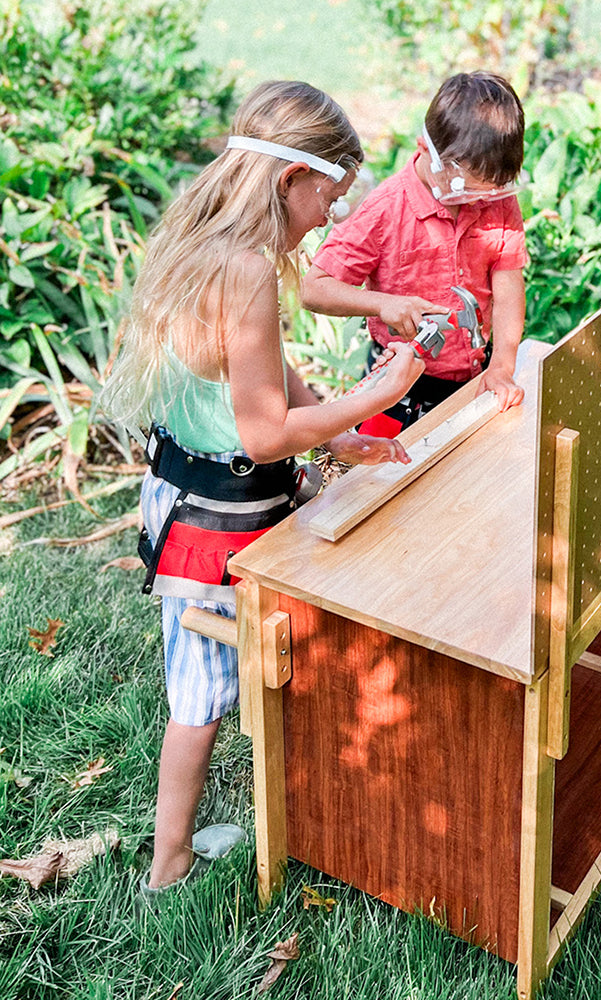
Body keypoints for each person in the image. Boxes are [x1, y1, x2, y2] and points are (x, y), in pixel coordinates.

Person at [101, 80, 425, 893]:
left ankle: (293, 806)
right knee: (200, 695)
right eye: (329, 195)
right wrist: (376, 399)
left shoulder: (206, 244)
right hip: (215, 517)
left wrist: (340, 429)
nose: (332, 216)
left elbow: (267, 379)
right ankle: (167, 866)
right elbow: (262, 433)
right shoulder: (244, 269)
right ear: (289, 182)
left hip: (192, 492)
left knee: (232, 670)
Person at [301, 71, 528, 437]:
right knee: (381, 482)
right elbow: (314, 289)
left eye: (490, 190)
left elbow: (508, 286)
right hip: (398, 390)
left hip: (473, 378)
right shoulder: (385, 210)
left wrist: (502, 363)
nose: (478, 200)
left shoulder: (494, 201)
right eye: (466, 189)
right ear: (427, 150)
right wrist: (381, 305)